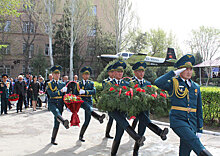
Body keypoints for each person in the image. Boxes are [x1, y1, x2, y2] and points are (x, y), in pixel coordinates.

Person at [154, 54, 213, 156]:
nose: (189, 71)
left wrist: (200, 128)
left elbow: (199, 109)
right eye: (186, 69)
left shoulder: (196, 87)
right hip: (178, 121)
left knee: (185, 151)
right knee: (195, 142)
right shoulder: (174, 83)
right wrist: (173, 73)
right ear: (180, 70)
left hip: (192, 123)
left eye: (190, 69)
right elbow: (158, 82)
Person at [107, 61, 145, 156]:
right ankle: (137, 137)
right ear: (114, 72)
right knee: (123, 122)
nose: (120, 73)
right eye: (118, 71)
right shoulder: (109, 84)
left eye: (121, 72)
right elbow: (107, 98)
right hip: (113, 110)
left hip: (123, 110)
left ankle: (113, 154)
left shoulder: (127, 83)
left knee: (119, 134)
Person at [130, 61, 169, 155]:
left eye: (142, 71)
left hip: (145, 110)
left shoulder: (147, 83)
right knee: (145, 120)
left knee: (141, 131)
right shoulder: (130, 82)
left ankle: (136, 151)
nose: (141, 73)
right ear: (135, 72)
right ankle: (159, 132)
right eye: (139, 71)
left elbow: (151, 95)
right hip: (135, 109)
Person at [78, 66, 105, 142]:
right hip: (82, 101)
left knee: (87, 120)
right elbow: (75, 94)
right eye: (85, 74)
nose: (86, 76)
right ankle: (98, 117)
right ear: (82, 75)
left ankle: (81, 135)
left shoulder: (91, 83)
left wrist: (85, 92)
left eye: (88, 74)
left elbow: (94, 91)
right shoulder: (78, 84)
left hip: (89, 101)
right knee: (88, 108)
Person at [46, 65, 69, 145]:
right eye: (55, 73)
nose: (57, 75)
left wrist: (67, 106)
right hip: (52, 103)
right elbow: (51, 94)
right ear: (52, 74)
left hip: (60, 104)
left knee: (56, 122)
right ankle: (64, 121)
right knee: (56, 113)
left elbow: (64, 96)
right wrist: (61, 91)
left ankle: (53, 139)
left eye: (58, 73)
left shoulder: (62, 84)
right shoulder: (49, 84)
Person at [102, 65, 115, 139]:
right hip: (110, 102)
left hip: (116, 102)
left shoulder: (117, 80)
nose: (113, 73)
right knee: (111, 119)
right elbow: (105, 91)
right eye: (111, 72)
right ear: (108, 73)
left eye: (114, 72)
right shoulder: (106, 81)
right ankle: (107, 133)